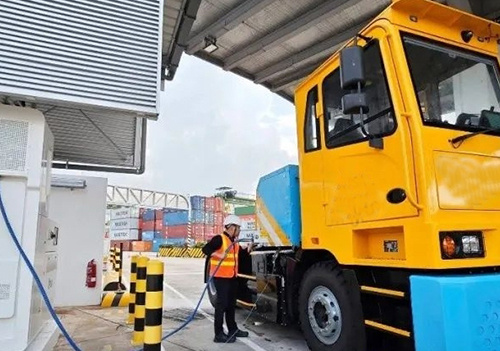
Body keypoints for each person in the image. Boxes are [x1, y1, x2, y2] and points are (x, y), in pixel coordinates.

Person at [202, 214, 250, 343]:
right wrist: (218, 254)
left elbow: (240, 257)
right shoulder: (220, 239)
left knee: (230, 305)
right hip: (221, 278)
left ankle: (232, 329)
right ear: (231, 227)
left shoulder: (234, 243)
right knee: (221, 305)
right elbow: (205, 249)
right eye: (238, 228)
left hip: (231, 278)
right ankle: (218, 334)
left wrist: (248, 250)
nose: (239, 231)